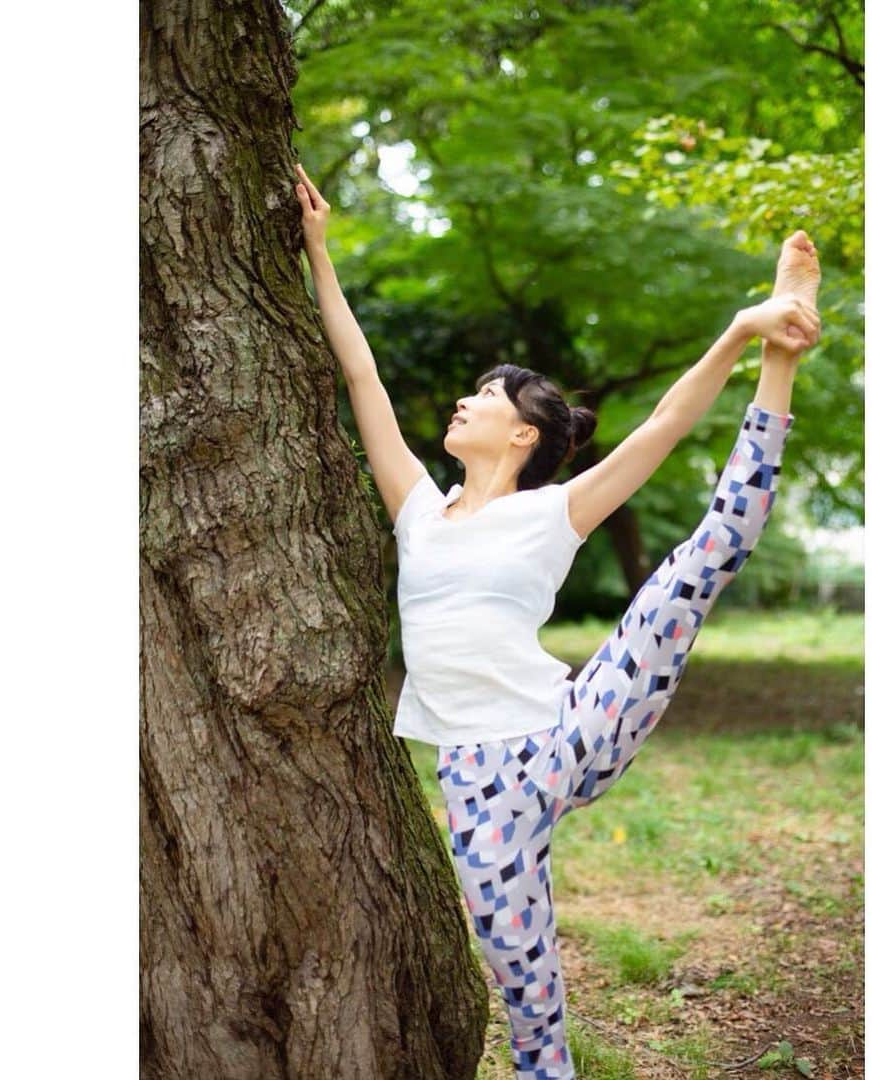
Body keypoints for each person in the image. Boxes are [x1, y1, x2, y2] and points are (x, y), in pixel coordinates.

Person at [294, 163, 821, 1080]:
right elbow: (362, 373)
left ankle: (784, 356)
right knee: (528, 1002)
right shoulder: (417, 507)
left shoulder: (555, 512)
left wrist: (741, 333)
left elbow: (662, 423)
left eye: (483, 398)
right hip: (478, 780)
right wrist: (318, 252)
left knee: (696, 566)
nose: (462, 401)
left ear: (523, 434)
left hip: (566, 730)